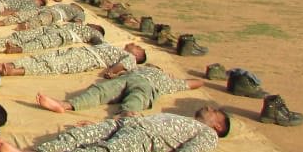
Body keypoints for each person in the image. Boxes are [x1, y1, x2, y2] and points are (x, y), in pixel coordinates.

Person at [0, 107, 230, 152]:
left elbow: (197, 145)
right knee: (79, 136)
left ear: (217, 127)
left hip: (146, 140)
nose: (209, 108)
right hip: (129, 124)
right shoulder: (181, 117)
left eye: (214, 113)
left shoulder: (206, 132)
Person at [34, 64, 203, 115]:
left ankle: (123, 118)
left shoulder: (165, 79)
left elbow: (193, 83)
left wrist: (175, 78)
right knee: (100, 91)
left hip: (147, 85)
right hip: (125, 79)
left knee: (136, 99)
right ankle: (65, 105)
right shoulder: (135, 69)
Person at [0, 42, 146, 78]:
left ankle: (13, 71)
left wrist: (112, 71)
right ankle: (6, 65)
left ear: (138, 56)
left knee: (52, 65)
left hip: (88, 58)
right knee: (41, 57)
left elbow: (123, 65)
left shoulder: (130, 57)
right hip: (82, 51)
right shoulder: (117, 47)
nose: (133, 44)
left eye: (138, 47)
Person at [0, 21, 105, 52]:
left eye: (94, 24)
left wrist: (96, 45)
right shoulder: (81, 25)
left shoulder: (95, 32)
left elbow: (98, 41)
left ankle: (16, 49)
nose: (90, 23)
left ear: (97, 28)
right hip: (55, 27)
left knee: (42, 42)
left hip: (66, 34)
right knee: (27, 34)